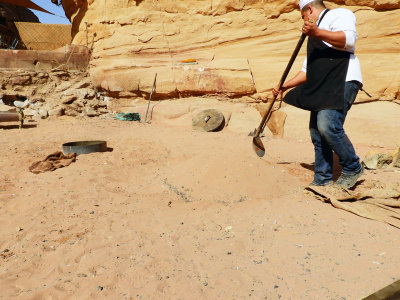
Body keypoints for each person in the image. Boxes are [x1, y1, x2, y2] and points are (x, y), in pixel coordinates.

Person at [273, 0, 364, 189]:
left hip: (343, 79)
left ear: (310, 10)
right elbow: (307, 70)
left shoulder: (339, 14)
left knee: (328, 125)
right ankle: (322, 178)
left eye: (303, 16)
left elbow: (348, 40)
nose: (304, 21)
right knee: (316, 132)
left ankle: (352, 166)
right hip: (323, 84)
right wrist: (285, 85)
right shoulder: (315, 36)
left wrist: (316, 32)